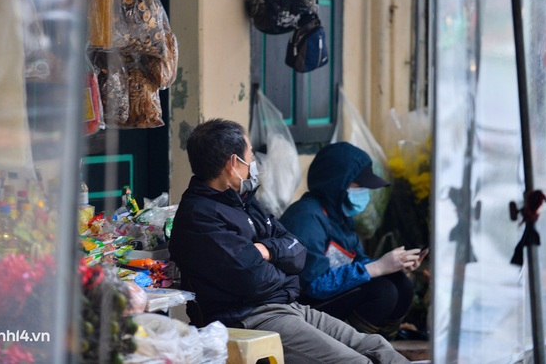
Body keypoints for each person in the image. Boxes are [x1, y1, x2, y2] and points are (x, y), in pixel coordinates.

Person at [169, 119, 410, 363]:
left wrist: (268, 251)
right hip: (252, 317)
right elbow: (254, 280)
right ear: (233, 163)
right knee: (355, 361)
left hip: (288, 306)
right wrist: (282, 268)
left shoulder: (243, 200)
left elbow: (296, 250)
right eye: (251, 155)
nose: (254, 163)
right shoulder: (200, 217)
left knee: (377, 346)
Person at [279, 141, 428, 340]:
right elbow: (312, 285)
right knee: (383, 292)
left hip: (331, 296)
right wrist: (375, 268)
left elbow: (357, 261)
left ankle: (383, 347)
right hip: (304, 307)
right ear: (337, 183)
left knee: (401, 284)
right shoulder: (306, 218)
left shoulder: (340, 215)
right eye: (359, 186)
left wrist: (393, 266)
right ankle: (350, 349)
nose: (364, 192)